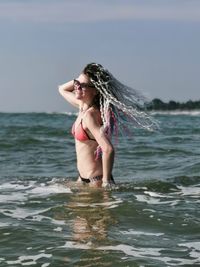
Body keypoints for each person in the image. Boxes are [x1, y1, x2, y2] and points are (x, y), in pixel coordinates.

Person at [58, 63, 157, 188]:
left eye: (83, 86)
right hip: (82, 179)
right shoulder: (81, 106)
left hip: (96, 181)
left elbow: (108, 149)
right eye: (76, 84)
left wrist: (106, 183)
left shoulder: (91, 115)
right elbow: (61, 89)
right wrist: (79, 80)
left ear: (95, 90)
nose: (77, 87)